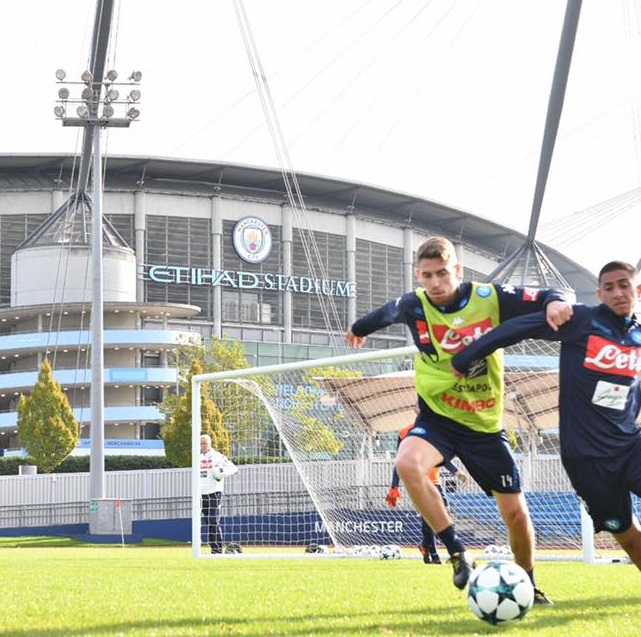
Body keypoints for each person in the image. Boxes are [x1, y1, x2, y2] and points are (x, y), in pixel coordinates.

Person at [345, 236, 572, 600]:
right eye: (427, 275)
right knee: (406, 462)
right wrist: (358, 329)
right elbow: (380, 315)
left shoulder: (491, 298)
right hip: (438, 417)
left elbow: (554, 292)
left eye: (443, 274)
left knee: (516, 514)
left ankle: (529, 584)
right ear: (418, 275)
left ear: (458, 270)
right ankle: (456, 552)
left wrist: (558, 302)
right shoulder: (412, 305)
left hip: (483, 425)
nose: (435, 283)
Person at [451, 260, 641, 570]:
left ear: (638, 290)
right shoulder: (582, 320)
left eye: (624, 285)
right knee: (627, 534)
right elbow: (519, 327)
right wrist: (467, 357)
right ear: (599, 293)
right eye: (609, 287)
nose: (618, 292)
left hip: (629, 446)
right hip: (586, 459)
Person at [386, 420, 469, 564]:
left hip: (436, 482)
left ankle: (425, 545)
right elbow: (400, 461)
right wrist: (394, 487)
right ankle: (434, 555)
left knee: (443, 515)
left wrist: (457, 471)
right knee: (428, 519)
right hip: (419, 482)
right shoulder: (406, 432)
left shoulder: (437, 428)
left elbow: (443, 458)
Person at [200, 433, 239, 554]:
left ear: (210, 444)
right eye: (201, 443)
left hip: (214, 492)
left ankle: (217, 548)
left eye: (204, 443)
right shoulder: (198, 457)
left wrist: (222, 473)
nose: (202, 445)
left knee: (213, 520)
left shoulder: (217, 456)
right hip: (202, 494)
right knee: (207, 521)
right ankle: (213, 549)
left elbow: (233, 468)